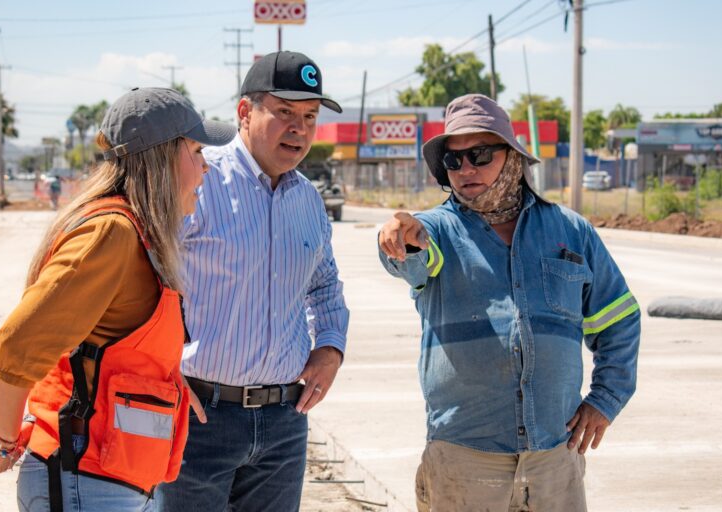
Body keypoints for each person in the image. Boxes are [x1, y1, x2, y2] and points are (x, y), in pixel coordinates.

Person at [0, 87, 236, 511]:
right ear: (163, 158)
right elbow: (17, 347)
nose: (206, 168)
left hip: (112, 481)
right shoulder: (112, 233)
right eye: (196, 151)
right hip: (86, 483)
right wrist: (6, 442)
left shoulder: (138, 235)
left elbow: (108, 349)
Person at [377, 94, 641, 512]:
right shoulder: (437, 231)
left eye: (479, 155)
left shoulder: (571, 232)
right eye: (454, 161)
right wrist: (399, 235)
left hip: (555, 458)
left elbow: (620, 320)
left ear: (512, 155)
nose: (466, 169)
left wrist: (605, 400)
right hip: (463, 461)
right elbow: (414, 258)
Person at [155, 51, 349, 512]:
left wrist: (330, 347)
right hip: (200, 417)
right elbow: (147, 282)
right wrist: (161, 373)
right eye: (284, 112)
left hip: (284, 421)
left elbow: (323, 284)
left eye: (308, 116)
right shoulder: (199, 181)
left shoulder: (308, 200)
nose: (298, 128)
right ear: (245, 112)